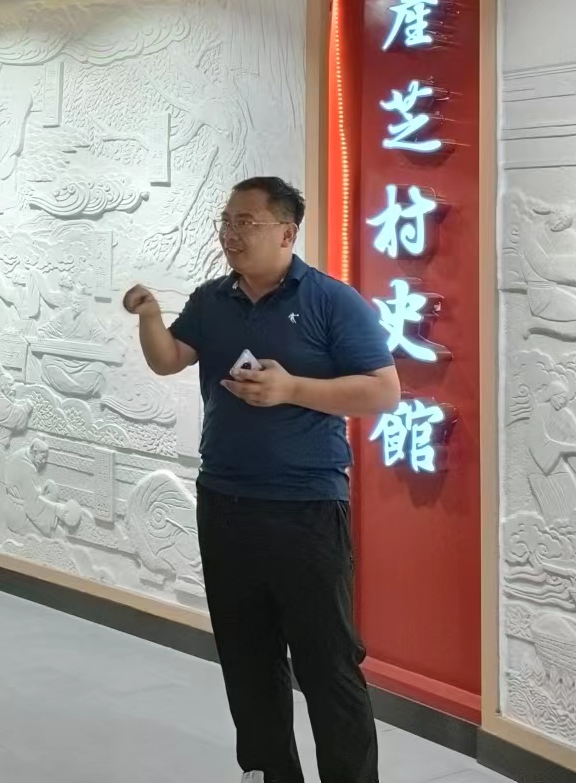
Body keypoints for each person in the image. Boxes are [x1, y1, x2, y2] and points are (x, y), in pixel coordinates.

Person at [121, 177, 400, 783]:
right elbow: (169, 359)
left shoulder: (331, 300)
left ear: (286, 232)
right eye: (226, 222)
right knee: (247, 657)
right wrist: (151, 317)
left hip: (306, 508)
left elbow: (384, 391)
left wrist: (292, 388)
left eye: (245, 222)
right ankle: (269, 773)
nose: (231, 234)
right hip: (224, 503)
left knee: (327, 665)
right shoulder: (212, 300)